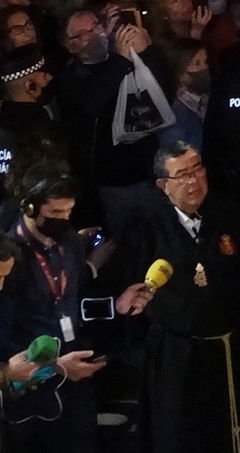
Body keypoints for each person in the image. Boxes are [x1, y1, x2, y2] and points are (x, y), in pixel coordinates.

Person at [128, 142, 240, 453]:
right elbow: (138, 287)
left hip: (226, 349)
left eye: (198, 170)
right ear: (163, 185)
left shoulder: (229, 213)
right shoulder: (146, 224)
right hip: (176, 353)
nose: (194, 181)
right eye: (183, 175)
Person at [0, 167, 150, 452]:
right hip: (32, 394)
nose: (64, 219)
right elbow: (7, 351)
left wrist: (115, 306)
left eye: (68, 211)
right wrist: (57, 368)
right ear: (30, 207)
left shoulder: (69, 241)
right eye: (55, 212)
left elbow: (76, 301)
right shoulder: (8, 259)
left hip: (76, 379)